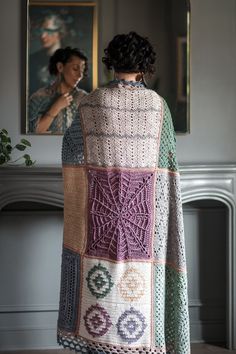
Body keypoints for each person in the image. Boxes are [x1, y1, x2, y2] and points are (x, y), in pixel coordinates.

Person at [57, 32, 190, 353]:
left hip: (98, 214)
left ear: (110, 62)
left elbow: (72, 153)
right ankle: (140, 342)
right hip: (144, 219)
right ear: (144, 66)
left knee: (96, 278)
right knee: (144, 280)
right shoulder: (157, 106)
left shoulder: (91, 102)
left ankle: (98, 341)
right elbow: (166, 167)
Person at [28, 47, 88, 134]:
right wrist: (56, 107)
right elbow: (33, 132)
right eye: (75, 68)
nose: (80, 75)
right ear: (60, 67)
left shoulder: (84, 99)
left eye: (82, 70)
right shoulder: (39, 97)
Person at [29, 14, 66, 95]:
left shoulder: (70, 58)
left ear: (59, 34)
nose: (43, 36)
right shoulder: (32, 59)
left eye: (48, 31)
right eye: (42, 31)